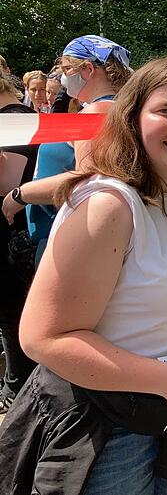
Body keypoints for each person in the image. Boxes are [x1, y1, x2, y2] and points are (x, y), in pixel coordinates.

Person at [0, 56, 167, 495]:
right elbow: (44, 338)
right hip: (110, 420)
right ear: (134, 117)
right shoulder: (108, 205)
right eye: (166, 111)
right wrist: (165, 379)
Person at [1, 36, 131, 264]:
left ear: (88, 69)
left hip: (66, 237)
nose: (62, 77)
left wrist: (20, 195)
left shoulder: (96, 112)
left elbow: (89, 180)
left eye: (67, 69)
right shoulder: (114, 109)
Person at [0, 77, 39, 413]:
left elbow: (7, 182)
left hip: (13, 230)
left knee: (11, 311)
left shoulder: (14, 117)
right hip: (12, 228)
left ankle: (17, 387)